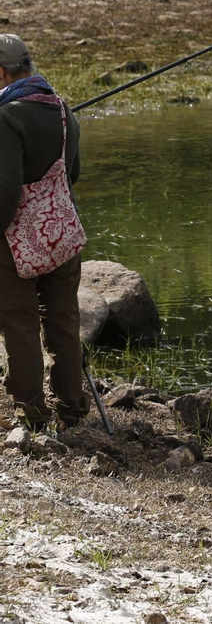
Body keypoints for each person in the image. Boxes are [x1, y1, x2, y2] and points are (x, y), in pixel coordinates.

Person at [0, 34, 88, 432]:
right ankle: (72, 409)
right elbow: (73, 176)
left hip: (14, 242)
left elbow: (5, 192)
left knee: (19, 323)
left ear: (1, 72)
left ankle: (32, 416)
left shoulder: (5, 118)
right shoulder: (63, 109)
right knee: (64, 321)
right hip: (63, 237)